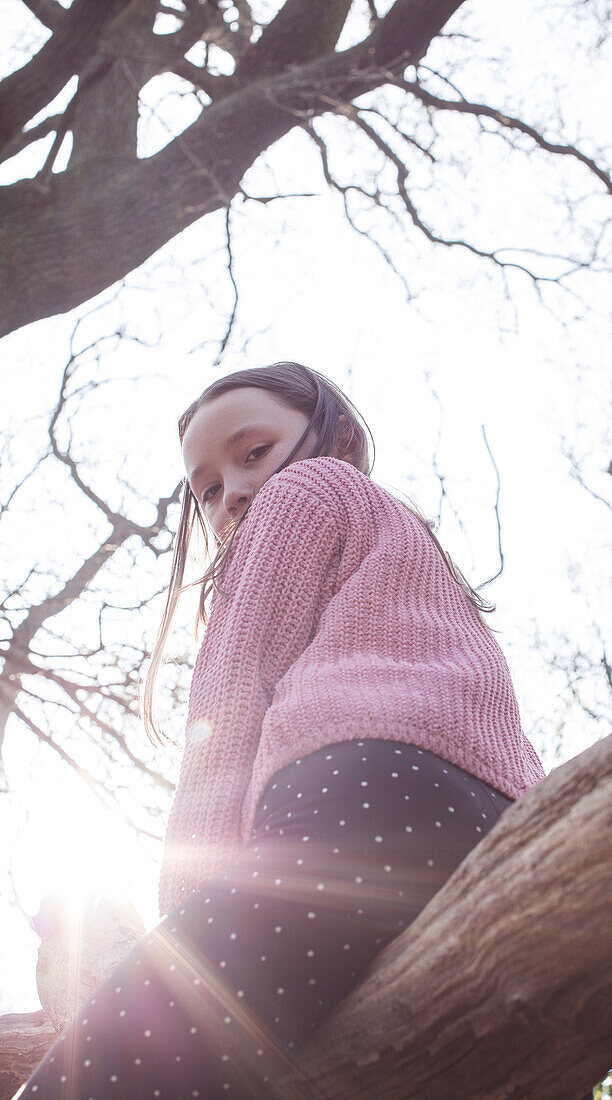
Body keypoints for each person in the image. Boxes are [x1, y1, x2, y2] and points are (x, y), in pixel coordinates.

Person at [20, 361, 550, 1098]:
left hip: (366, 804)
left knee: (107, 1072)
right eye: (205, 489)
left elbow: (229, 705)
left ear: (339, 436)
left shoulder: (304, 491)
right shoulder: (405, 552)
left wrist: (187, 928)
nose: (231, 491)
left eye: (252, 453)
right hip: (496, 831)